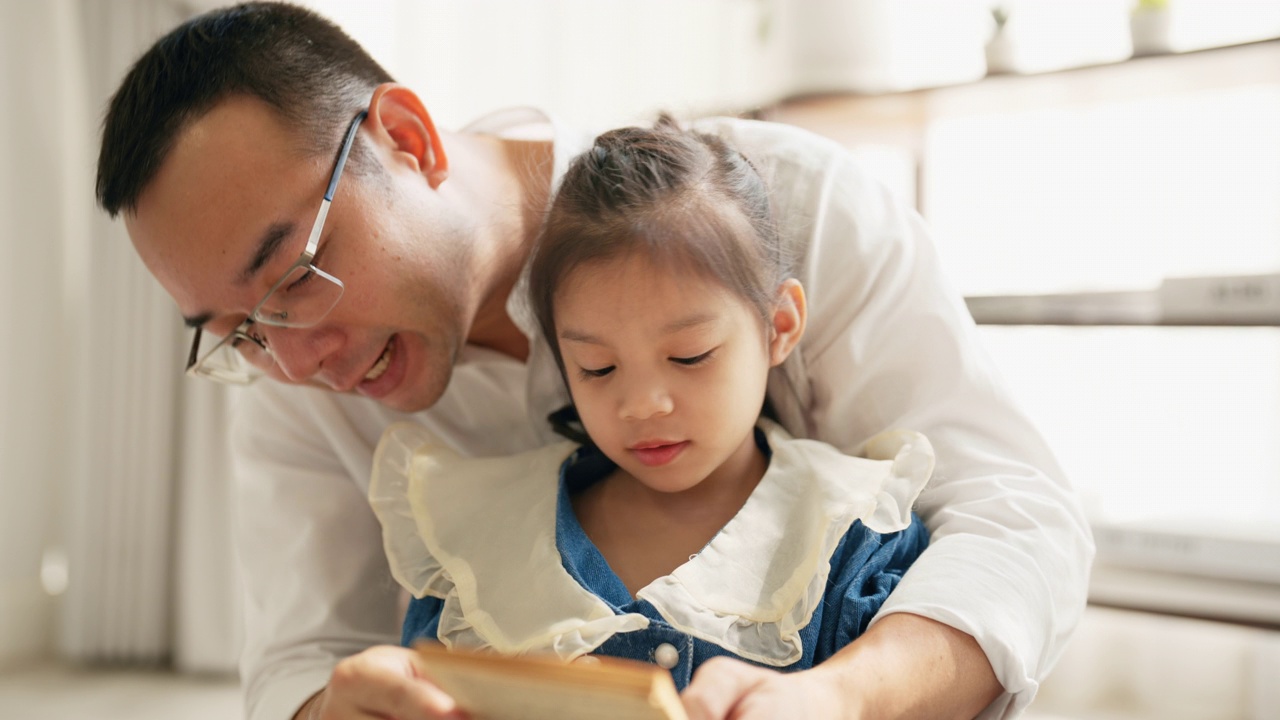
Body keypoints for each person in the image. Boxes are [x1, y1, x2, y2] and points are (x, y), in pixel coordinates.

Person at [94, 3, 1094, 720]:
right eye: (236, 331)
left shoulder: (785, 209)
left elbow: (1014, 514)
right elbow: (300, 659)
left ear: (405, 139)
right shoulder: (291, 373)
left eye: (297, 272)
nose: (297, 357)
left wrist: (838, 696)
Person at [368, 117, 934, 698]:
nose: (641, 405)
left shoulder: (855, 532)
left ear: (778, 325)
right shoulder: (475, 543)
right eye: (598, 368)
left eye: (689, 356)